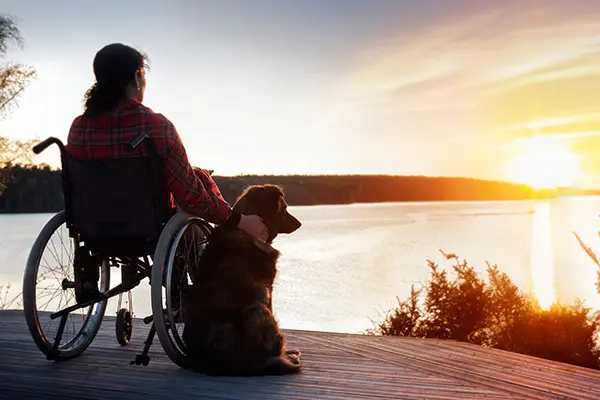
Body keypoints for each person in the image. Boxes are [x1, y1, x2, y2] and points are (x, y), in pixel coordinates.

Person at [66, 43, 268, 241]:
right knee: (196, 177)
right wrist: (239, 220)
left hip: (93, 224)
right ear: (137, 77)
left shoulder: (78, 128)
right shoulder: (156, 127)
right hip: (147, 225)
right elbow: (191, 196)